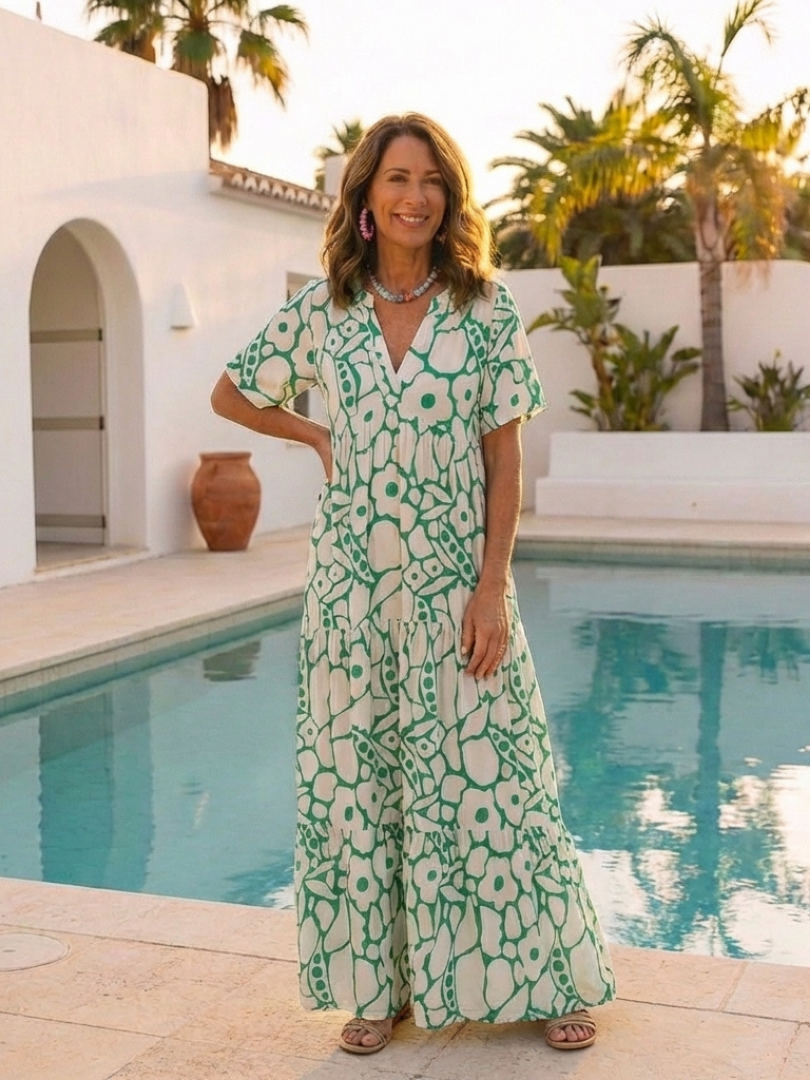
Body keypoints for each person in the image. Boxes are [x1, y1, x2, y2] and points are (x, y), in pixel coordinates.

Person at [210, 112, 615, 1054]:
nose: (415, 196)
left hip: (453, 586)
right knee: (362, 784)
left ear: (449, 198)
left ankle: (548, 977)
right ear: (366, 195)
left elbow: (506, 461)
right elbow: (232, 392)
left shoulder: (486, 310)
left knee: (495, 778)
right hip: (351, 591)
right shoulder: (327, 310)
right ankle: (377, 988)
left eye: (432, 180)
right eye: (397, 178)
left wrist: (492, 585)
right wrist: (314, 433)